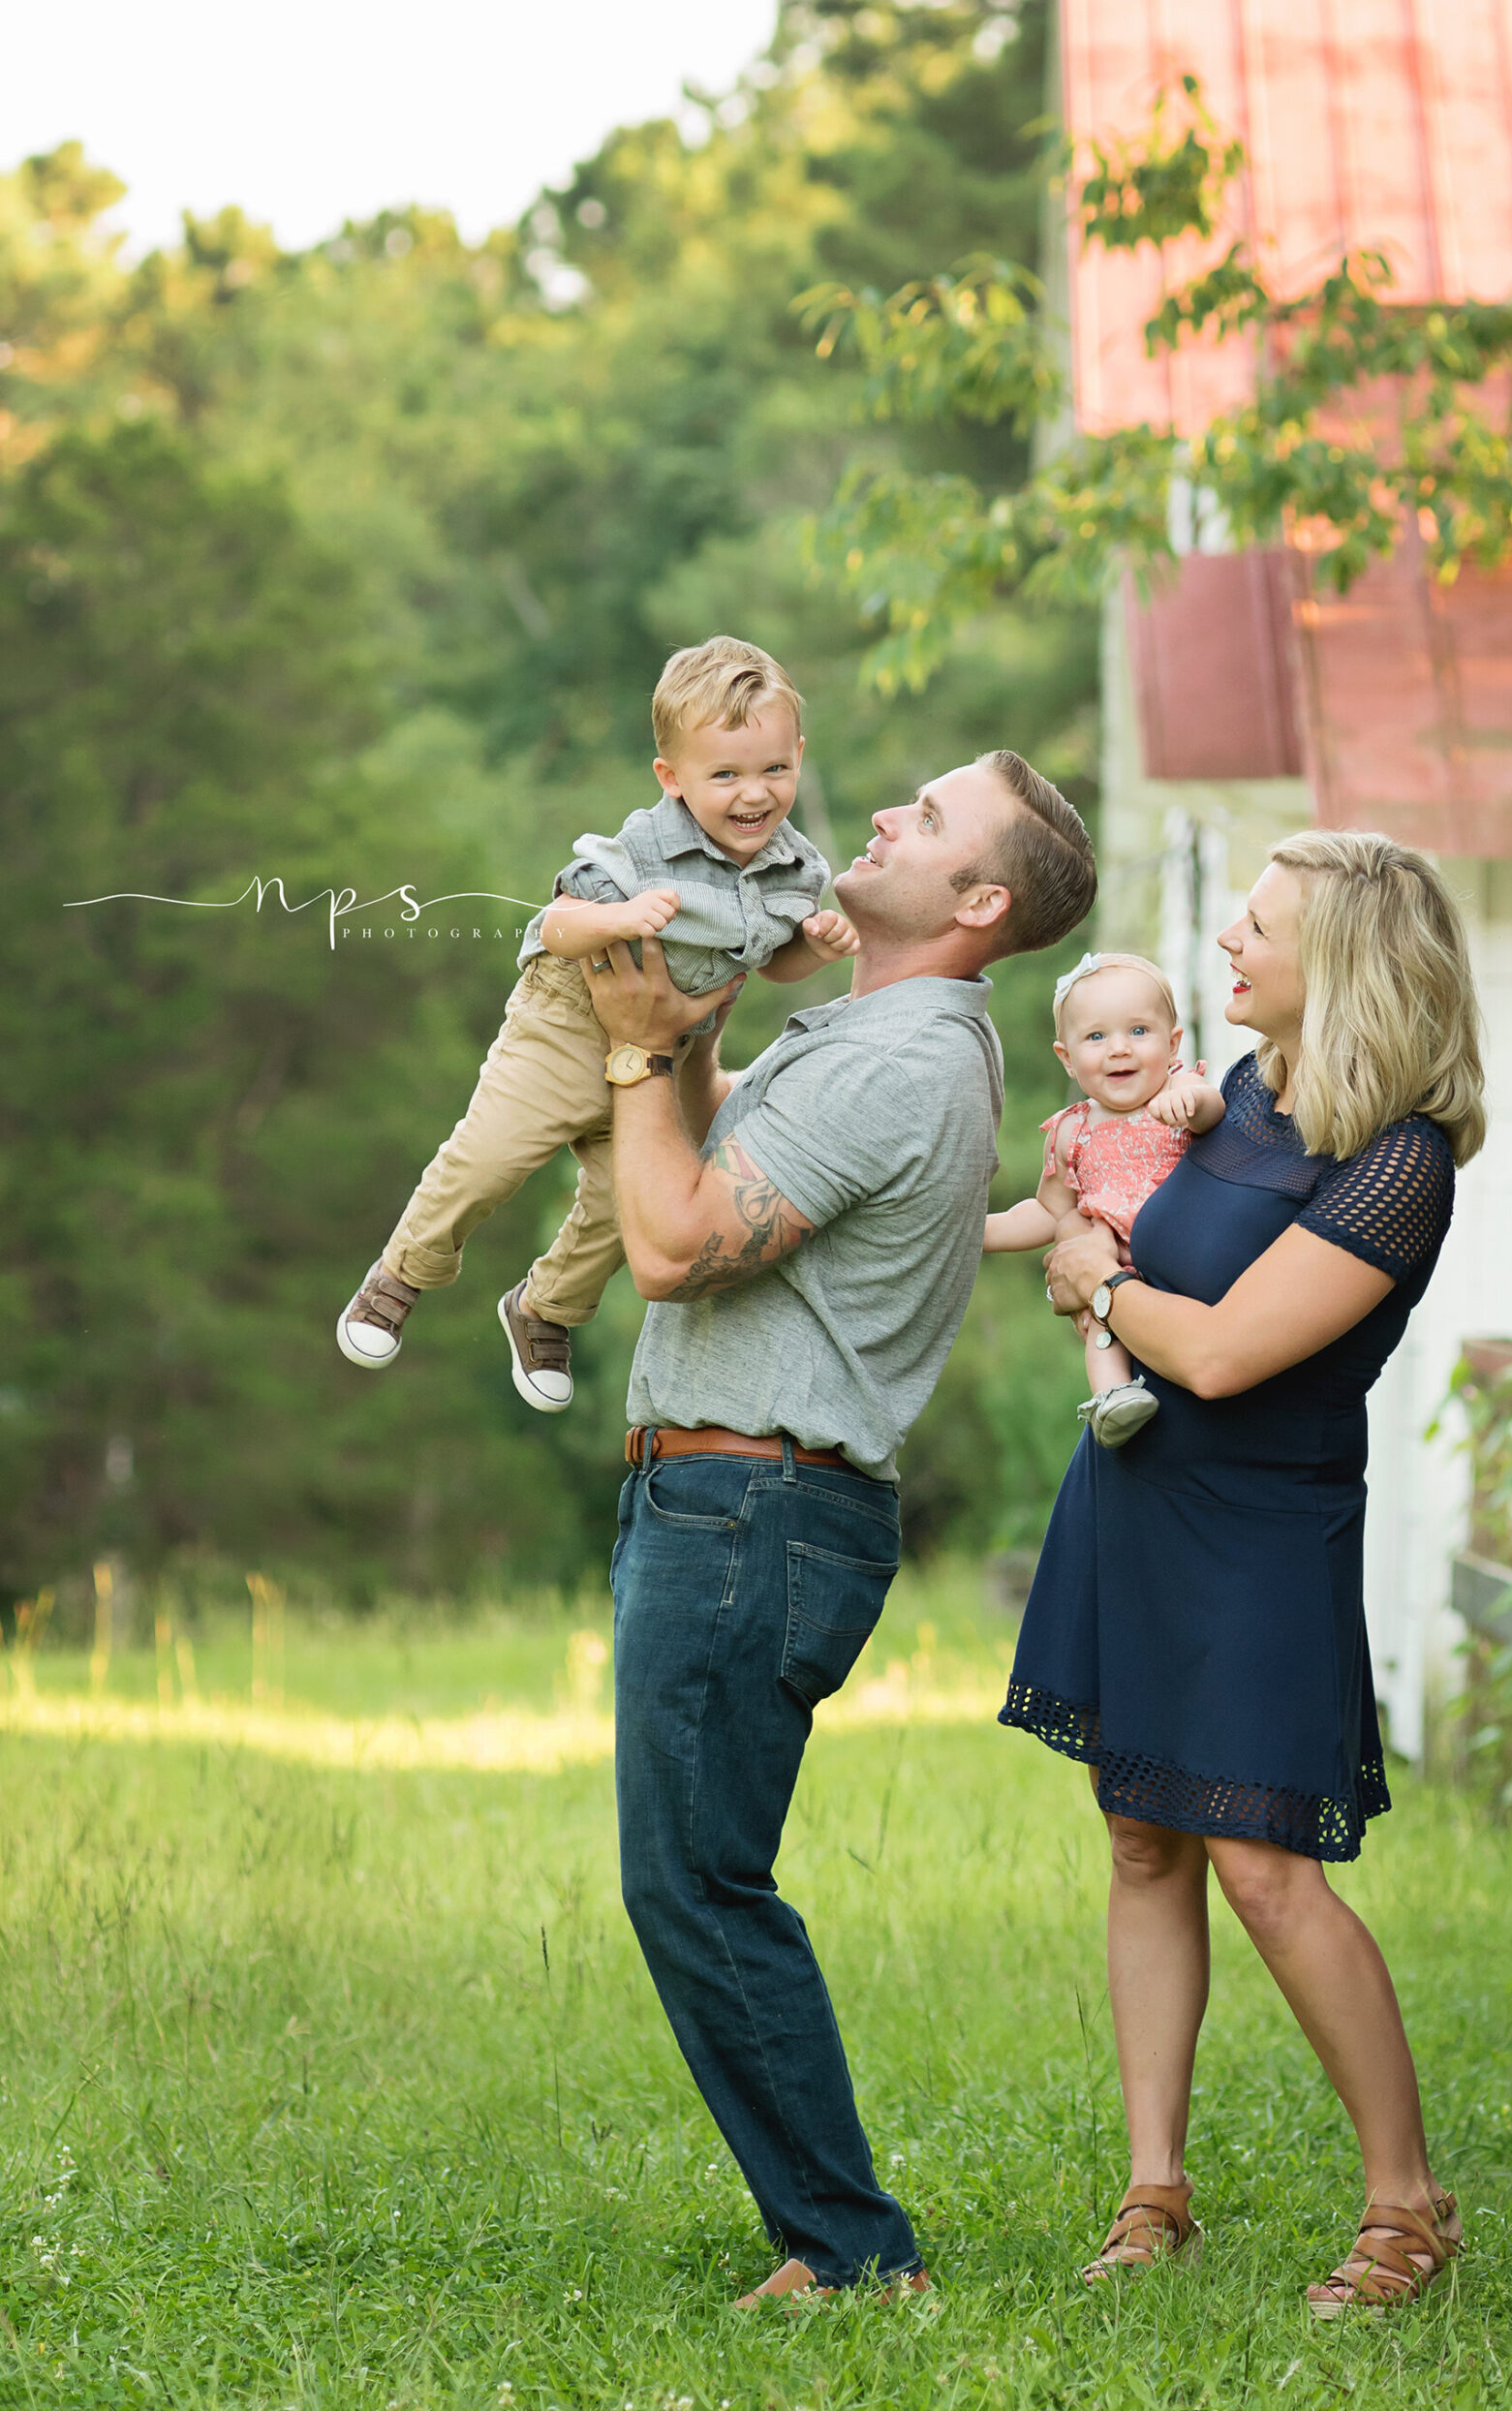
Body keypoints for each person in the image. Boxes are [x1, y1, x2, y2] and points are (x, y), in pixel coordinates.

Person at [585, 749, 1095, 2303]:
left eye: (927, 820)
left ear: (979, 900)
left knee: (698, 1882)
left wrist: (620, 1058)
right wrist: (686, 1026)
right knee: (696, 1874)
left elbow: (671, 1240)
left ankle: (855, 2255)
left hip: (755, 1510)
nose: (880, 814)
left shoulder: (904, 1062)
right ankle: (835, 2240)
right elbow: (717, 1132)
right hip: (730, 1496)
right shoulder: (873, 1029)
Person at [1003, 831, 1485, 2316]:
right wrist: (1067, 1216)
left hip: (1262, 1530)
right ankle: (1155, 2191)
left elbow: (1214, 1350)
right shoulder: (1244, 1095)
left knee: (1267, 1867)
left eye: (1257, 928)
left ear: (1335, 961)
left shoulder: (1396, 1162)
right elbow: (1123, 1210)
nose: (1226, 946)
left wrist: (1097, 1280)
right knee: (1143, 1837)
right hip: (1135, 1500)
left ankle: (1407, 2207)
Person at [334, 637, 857, 1411]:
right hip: (570, 1021)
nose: (754, 795)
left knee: (631, 1205)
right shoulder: (645, 846)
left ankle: (544, 1309)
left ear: (799, 755)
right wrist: (618, 914)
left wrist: (811, 950)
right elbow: (555, 926)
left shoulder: (796, 869)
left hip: (663, 1052)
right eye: (725, 775)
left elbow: (770, 960)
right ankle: (402, 1272)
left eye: (774, 769)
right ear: (672, 779)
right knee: (490, 1159)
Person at [983, 951, 1221, 1446]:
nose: (1119, 1050)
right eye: (1096, 1036)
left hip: (1189, 1266)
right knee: (1099, 1321)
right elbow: (1051, 1211)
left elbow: (1211, 1113)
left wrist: (1191, 1102)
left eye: (1139, 1032)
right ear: (1066, 1057)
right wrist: (979, 1232)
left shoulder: (1178, 1090)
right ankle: (1112, 1397)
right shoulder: (1071, 1131)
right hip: (1116, 1271)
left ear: (1172, 1041)